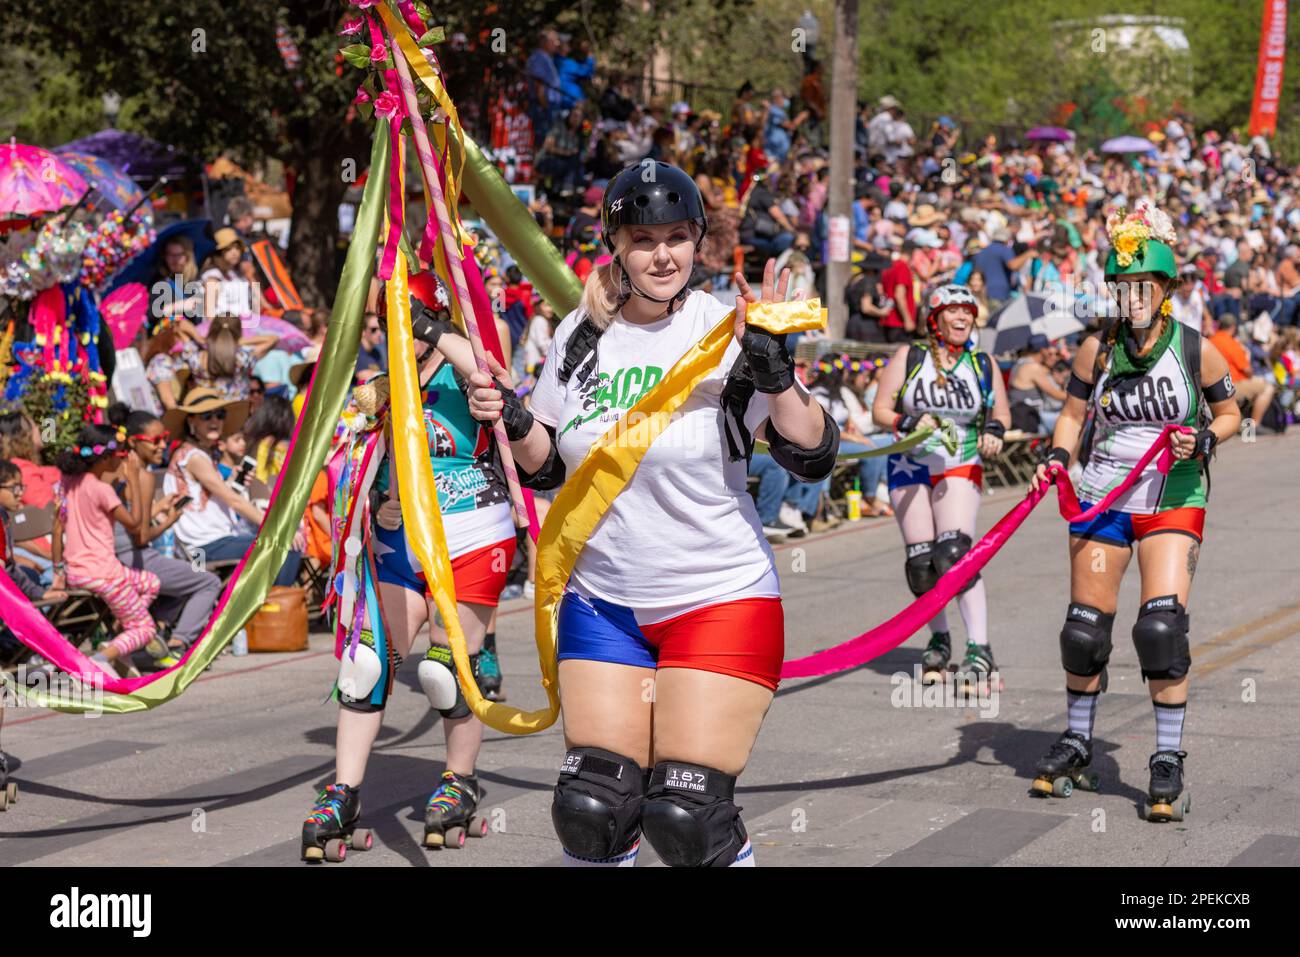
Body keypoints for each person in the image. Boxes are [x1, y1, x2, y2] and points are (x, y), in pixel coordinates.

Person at [466, 162, 839, 867]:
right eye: (643, 238)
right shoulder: (581, 334)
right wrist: (512, 416)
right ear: (616, 244)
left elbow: (813, 454)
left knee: (687, 818)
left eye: (677, 236)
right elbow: (549, 467)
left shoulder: (723, 328)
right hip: (603, 601)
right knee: (593, 810)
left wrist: (775, 369)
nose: (662, 254)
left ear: (698, 241)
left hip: (717, 596)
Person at [1029, 200, 1241, 822]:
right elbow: (1072, 413)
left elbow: (1229, 414)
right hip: (1101, 497)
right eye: (1123, 286)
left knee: (1159, 628)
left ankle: (1168, 757)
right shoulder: (1095, 349)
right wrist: (1059, 455)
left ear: (1167, 288)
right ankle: (1077, 742)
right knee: (1083, 629)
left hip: (1171, 497)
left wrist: (1203, 438)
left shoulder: (1195, 349)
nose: (1134, 295)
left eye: (1144, 285)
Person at [302, 275, 517, 859]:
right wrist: (376, 499)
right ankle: (342, 793)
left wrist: (428, 323)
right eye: (384, 324)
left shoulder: (465, 367)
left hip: (473, 538)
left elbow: (490, 367)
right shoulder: (383, 387)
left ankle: (458, 780)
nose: (387, 333)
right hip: (402, 545)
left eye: (397, 322)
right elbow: (353, 460)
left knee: (446, 670)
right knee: (365, 666)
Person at [872, 283, 1011, 685]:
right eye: (953, 311)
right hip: (909, 462)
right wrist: (907, 420)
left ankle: (979, 649)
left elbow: (1001, 413)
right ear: (935, 319)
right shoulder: (910, 356)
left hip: (959, 461)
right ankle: (939, 640)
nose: (963, 318)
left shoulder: (982, 362)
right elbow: (881, 409)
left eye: (968, 311)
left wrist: (995, 432)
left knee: (953, 554)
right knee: (921, 563)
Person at [108, 404, 221, 662]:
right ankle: (179, 642)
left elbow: (130, 521)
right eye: (155, 441)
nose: (162, 446)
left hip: (116, 556)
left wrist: (159, 508)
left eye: (165, 440)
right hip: (132, 558)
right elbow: (141, 537)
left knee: (185, 573)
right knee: (207, 580)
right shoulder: (143, 476)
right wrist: (169, 521)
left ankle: (157, 628)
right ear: (135, 442)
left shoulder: (115, 469)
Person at [161, 388, 302, 586]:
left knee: (283, 545)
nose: (215, 421)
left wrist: (232, 482)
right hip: (203, 547)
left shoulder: (199, 454)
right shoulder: (194, 457)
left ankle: (271, 607)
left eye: (220, 415)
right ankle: (276, 609)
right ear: (191, 421)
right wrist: (278, 528)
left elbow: (211, 500)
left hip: (208, 542)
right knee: (286, 545)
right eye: (206, 416)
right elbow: (234, 501)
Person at [50, 423, 160, 676]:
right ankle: (102, 657)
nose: (123, 460)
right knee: (146, 629)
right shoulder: (102, 489)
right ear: (105, 458)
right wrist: (134, 479)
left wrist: (58, 571)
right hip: (105, 574)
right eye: (120, 455)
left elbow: (57, 530)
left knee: (151, 582)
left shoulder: (66, 483)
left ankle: (123, 642)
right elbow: (134, 525)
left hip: (78, 572)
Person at [1208, 312, 1275, 425]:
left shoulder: (1210, 340)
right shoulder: (1231, 343)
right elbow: (1247, 370)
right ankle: (1253, 426)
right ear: (1233, 327)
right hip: (1231, 386)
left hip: (1211, 389)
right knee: (1268, 388)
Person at [1008, 334, 1069, 434]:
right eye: (1048, 349)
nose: (1049, 352)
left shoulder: (1019, 363)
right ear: (1043, 350)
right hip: (1031, 417)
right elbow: (1057, 395)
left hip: (1020, 415)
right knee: (1073, 422)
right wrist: (1078, 395)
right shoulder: (1033, 367)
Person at [201, 228, 261, 319]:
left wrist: (251, 278)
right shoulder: (213, 277)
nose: (235, 252)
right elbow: (209, 313)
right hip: (224, 328)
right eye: (229, 249)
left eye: (237, 248)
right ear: (219, 253)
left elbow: (256, 303)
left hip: (245, 325)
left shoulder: (237, 274)